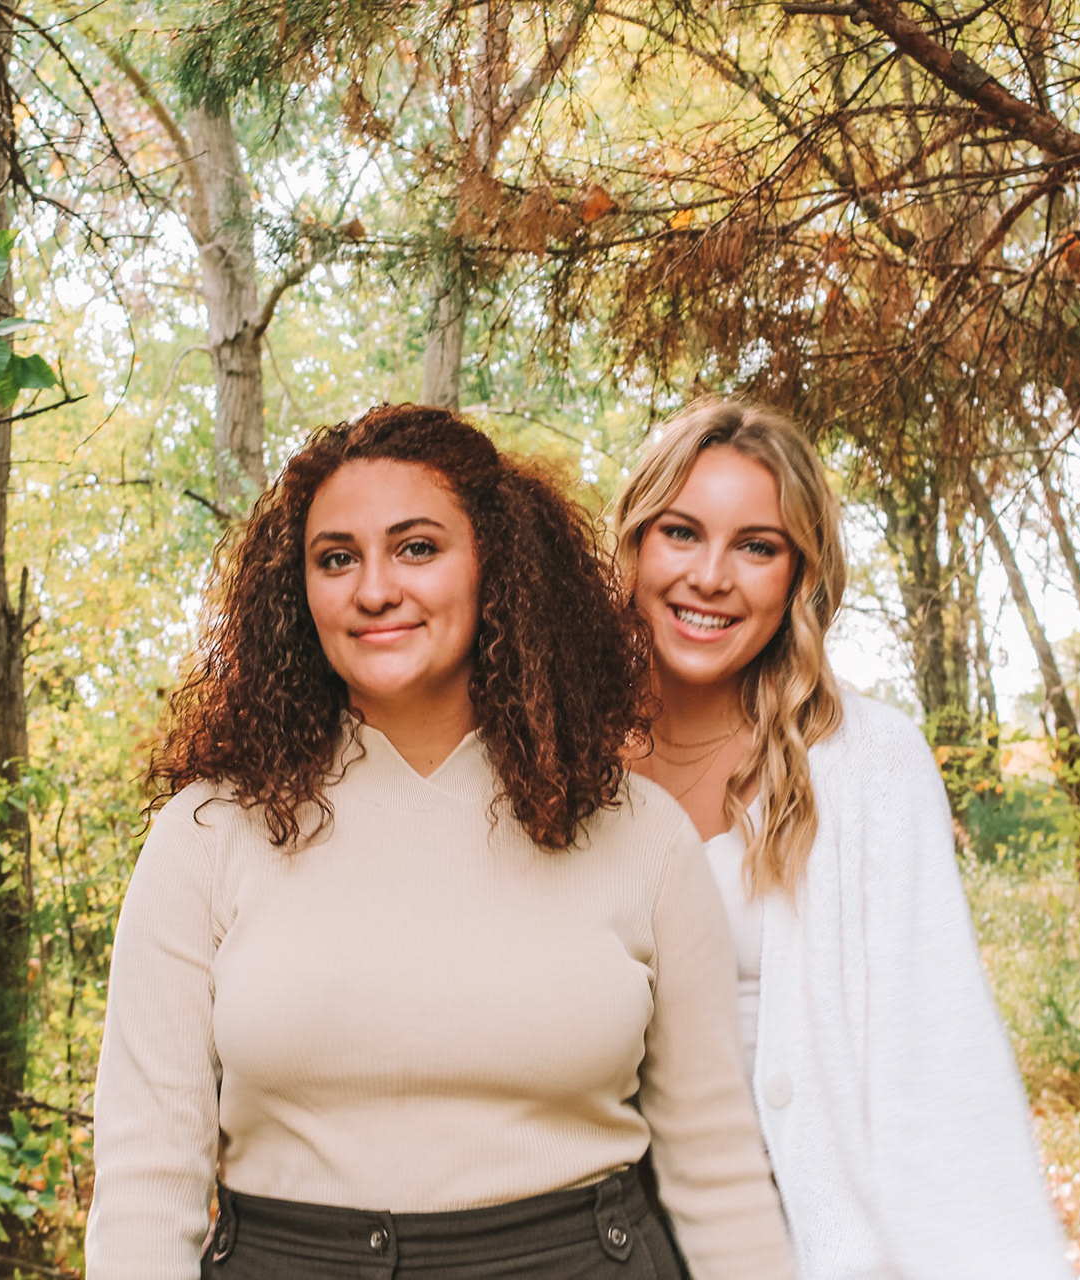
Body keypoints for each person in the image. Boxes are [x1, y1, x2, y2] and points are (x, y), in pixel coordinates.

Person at [87, 404, 794, 1279]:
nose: (374, 590)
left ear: (497, 567)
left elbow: (714, 1165)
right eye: (336, 558)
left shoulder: (641, 835)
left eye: (417, 548)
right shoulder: (206, 835)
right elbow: (146, 1182)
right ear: (298, 592)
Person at [612, 400, 1072, 1280]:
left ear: (800, 574)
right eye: (681, 532)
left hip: (793, 1243)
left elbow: (935, 1052)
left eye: (757, 547)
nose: (710, 577)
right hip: (591, 1240)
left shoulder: (868, 762)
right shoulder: (557, 753)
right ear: (634, 543)